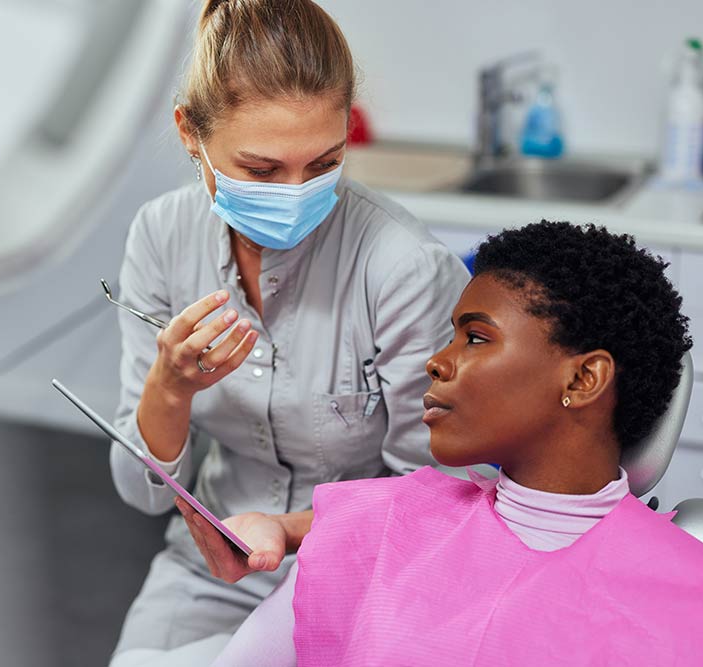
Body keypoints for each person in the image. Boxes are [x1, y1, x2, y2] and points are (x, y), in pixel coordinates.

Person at [182, 221, 703, 665]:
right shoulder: (380, 526)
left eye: (476, 337)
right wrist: (281, 529)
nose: (438, 361)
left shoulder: (688, 591)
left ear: (583, 380)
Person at [107, 1, 470, 664]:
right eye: (263, 170)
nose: (298, 193)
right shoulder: (161, 237)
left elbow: (442, 500)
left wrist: (291, 530)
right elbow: (142, 491)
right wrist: (168, 388)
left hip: (366, 569)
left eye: (325, 162)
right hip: (209, 568)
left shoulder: (402, 268)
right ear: (191, 134)